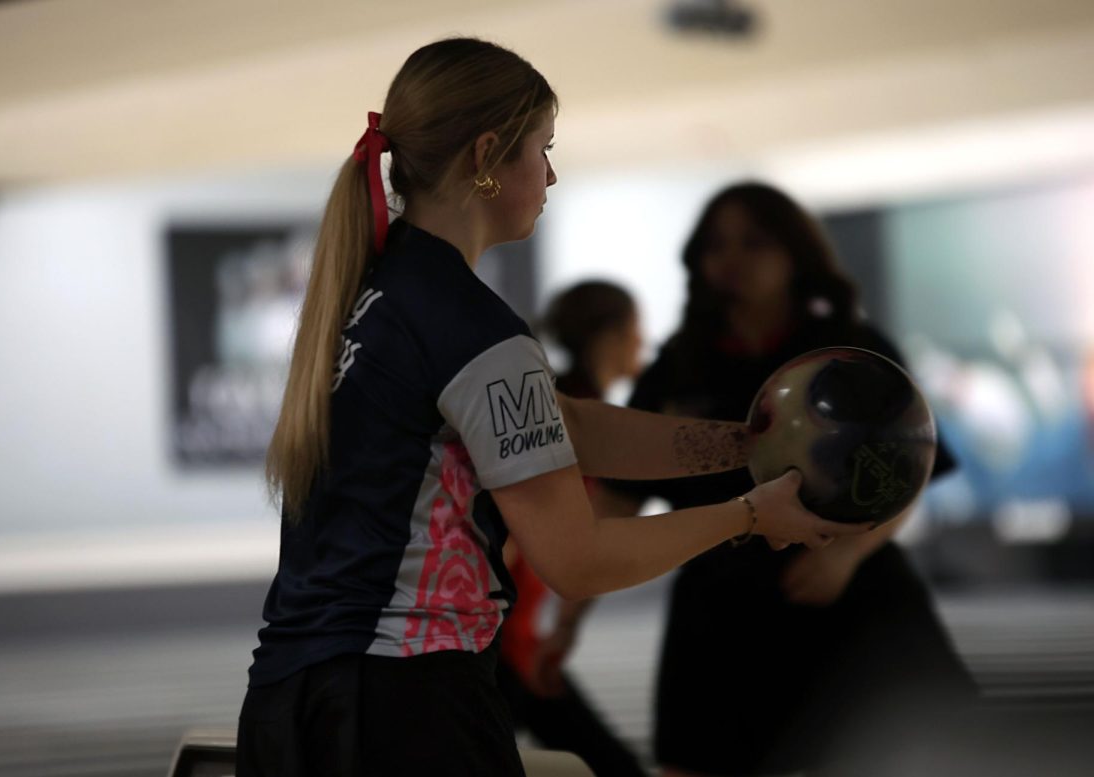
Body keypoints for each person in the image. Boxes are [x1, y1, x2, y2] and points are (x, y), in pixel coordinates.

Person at [235, 42, 868, 777]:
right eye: (543, 148)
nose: (551, 174)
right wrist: (752, 514)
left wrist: (749, 442)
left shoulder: (376, 301)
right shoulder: (473, 329)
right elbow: (578, 560)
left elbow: (568, 426)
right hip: (406, 708)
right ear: (487, 156)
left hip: (289, 706)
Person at [600, 181, 978, 777]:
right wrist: (559, 616)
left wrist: (846, 556)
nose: (732, 259)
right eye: (717, 245)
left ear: (793, 253)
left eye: (754, 242)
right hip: (722, 614)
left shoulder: (850, 351)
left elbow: (909, 476)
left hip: (846, 596)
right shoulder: (680, 362)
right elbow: (615, 497)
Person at [496, 280, 648, 777]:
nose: (642, 343)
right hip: (503, 644)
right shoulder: (574, 418)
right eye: (634, 328)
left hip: (511, 640)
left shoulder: (569, 405)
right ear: (608, 337)